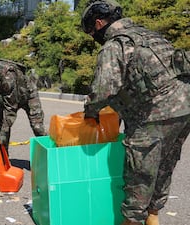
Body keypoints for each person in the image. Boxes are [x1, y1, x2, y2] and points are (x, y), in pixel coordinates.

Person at [81, 1, 190, 225]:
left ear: (99, 23)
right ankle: (153, 217)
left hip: (155, 113)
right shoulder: (150, 36)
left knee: (139, 172)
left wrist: (91, 112)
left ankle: (131, 221)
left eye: (92, 31)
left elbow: (103, 89)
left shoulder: (115, 45)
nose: (94, 36)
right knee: (164, 166)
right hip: (185, 107)